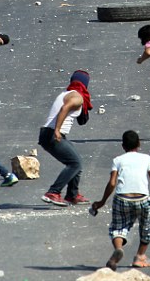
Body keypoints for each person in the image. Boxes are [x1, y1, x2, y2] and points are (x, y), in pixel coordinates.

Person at [91, 130, 150, 271]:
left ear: (123, 146)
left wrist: (102, 201)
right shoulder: (147, 159)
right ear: (139, 144)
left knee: (118, 226)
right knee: (148, 224)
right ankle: (140, 256)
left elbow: (112, 183)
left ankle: (118, 248)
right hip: (142, 199)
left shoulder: (118, 160)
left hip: (122, 198)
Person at [39, 70, 92, 206]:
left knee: (76, 161)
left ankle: (72, 195)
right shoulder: (78, 97)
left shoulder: (66, 93)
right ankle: (53, 192)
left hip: (47, 133)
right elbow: (65, 108)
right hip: (52, 134)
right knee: (75, 163)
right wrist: (57, 130)